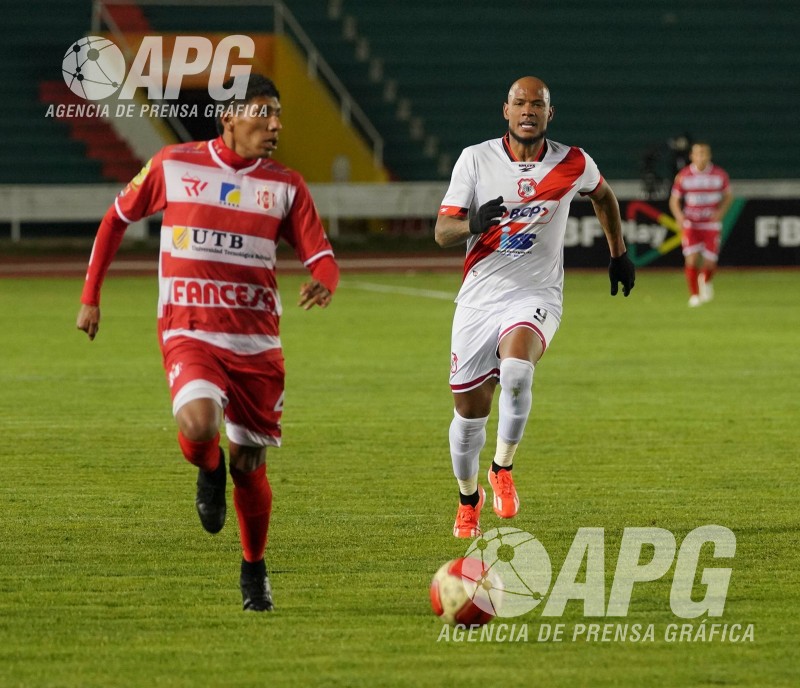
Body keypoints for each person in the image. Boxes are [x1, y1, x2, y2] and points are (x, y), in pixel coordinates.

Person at [76, 74, 339, 611]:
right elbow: (115, 218)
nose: (275, 125)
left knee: (250, 465)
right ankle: (207, 467)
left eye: (278, 115)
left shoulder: (285, 185)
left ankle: (253, 568)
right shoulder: (174, 163)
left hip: (257, 344)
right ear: (229, 116)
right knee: (198, 425)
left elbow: (322, 256)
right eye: (263, 113)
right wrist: (90, 295)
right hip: (188, 328)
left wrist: (324, 280)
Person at [435, 76, 635, 538]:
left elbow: (603, 196)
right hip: (479, 299)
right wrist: (471, 223)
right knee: (468, 414)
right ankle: (469, 497)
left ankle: (503, 466)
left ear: (550, 114)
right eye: (520, 103)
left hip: (536, 295)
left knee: (519, 371)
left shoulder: (574, 162)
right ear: (505, 110)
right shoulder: (475, 159)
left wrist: (618, 254)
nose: (528, 110)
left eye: (537, 104)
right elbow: (442, 231)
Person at [668, 142, 732, 307]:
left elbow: (728, 197)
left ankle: (706, 280)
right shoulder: (683, 175)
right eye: (698, 154)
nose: (701, 157)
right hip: (692, 224)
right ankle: (694, 295)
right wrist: (679, 216)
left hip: (710, 225)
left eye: (704, 154)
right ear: (692, 156)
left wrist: (720, 213)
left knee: (710, 263)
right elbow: (674, 200)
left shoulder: (719, 175)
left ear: (709, 156)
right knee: (692, 259)